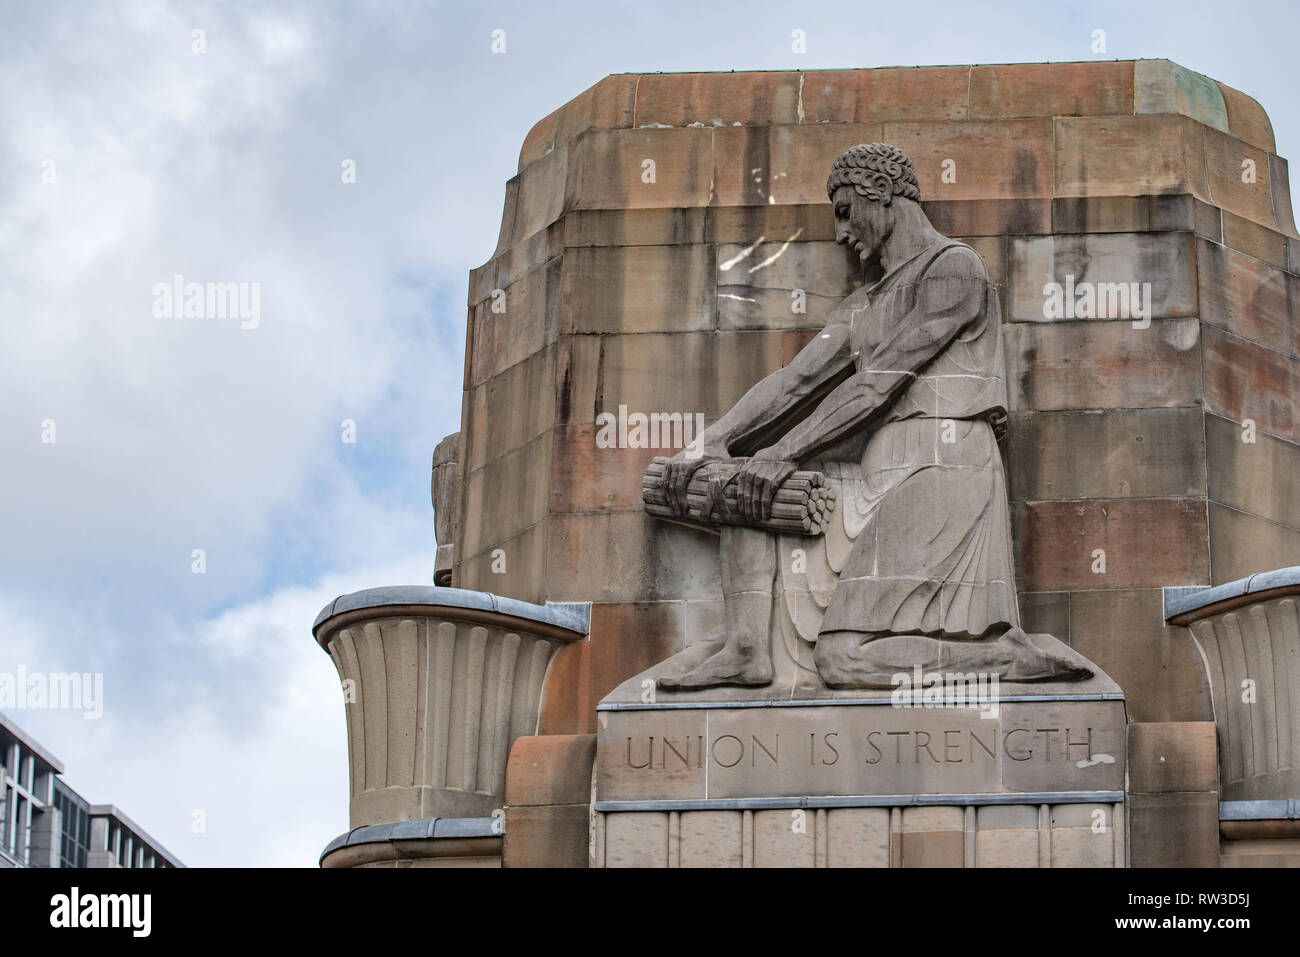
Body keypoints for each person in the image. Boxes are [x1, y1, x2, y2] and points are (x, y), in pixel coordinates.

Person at [656, 143, 1088, 690]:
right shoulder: (864, 304)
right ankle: (746, 651)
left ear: (880, 191)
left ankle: (1002, 659)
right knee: (743, 490)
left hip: (942, 468)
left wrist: (781, 452)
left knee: (841, 661)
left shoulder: (955, 269)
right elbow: (796, 380)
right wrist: (711, 444)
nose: (840, 234)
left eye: (843, 211)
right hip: (875, 474)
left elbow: (877, 386)